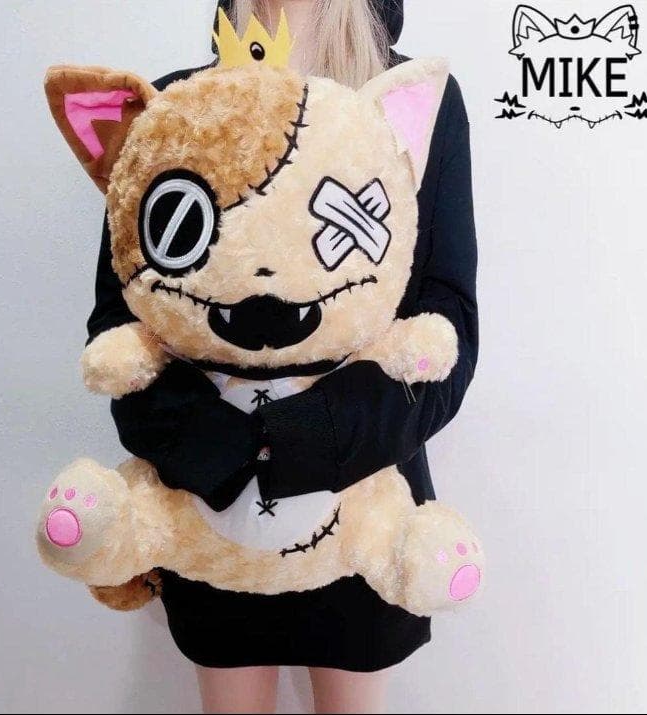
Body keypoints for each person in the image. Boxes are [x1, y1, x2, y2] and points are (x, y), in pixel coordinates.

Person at [84, 1, 477, 712]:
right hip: (209, 509)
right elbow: (121, 319)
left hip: (367, 500)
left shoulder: (414, 98)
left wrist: (294, 443)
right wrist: (221, 452)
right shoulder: (182, 105)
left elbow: (447, 324)